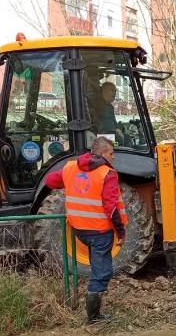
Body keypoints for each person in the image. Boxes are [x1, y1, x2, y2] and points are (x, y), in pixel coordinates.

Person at [44, 137, 128, 323]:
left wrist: (73, 182)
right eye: (111, 153)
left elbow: (50, 180)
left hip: (79, 230)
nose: (113, 158)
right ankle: (93, 316)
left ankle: (94, 309)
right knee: (102, 272)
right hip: (99, 232)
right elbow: (111, 207)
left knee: (96, 266)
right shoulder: (107, 174)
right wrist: (121, 232)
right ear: (101, 153)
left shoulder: (70, 167)